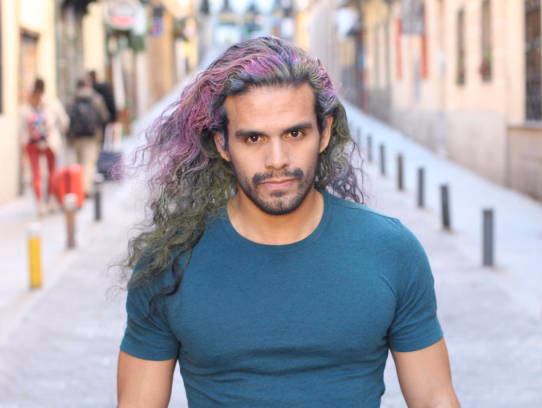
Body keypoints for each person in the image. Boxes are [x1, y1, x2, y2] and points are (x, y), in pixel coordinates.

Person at [117, 37, 460, 407]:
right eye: (253, 138)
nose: (277, 159)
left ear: (324, 132)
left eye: (295, 133)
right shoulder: (169, 264)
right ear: (222, 144)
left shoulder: (391, 251)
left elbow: (435, 399)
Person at [19, 78, 69, 216]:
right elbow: (64, 122)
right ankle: (51, 200)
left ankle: (40, 204)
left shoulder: (27, 106)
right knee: (52, 171)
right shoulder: (53, 103)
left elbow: (22, 128)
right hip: (50, 142)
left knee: (36, 174)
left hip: (32, 143)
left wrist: (23, 145)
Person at [67, 77, 109, 197]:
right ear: (88, 86)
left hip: (76, 136)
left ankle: (78, 188)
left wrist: (69, 136)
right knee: (89, 164)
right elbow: (104, 116)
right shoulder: (96, 98)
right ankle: (85, 189)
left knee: (79, 163)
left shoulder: (72, 99)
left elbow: (68, 119)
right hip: (93, 136)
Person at [88, 70, 119, 147]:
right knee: (104, 140)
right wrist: (114, 117)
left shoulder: (90, 90)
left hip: (92, 120)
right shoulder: (105, 87)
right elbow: (111, 102)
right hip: (104, 117)